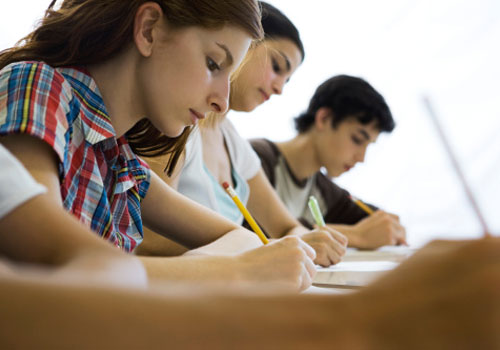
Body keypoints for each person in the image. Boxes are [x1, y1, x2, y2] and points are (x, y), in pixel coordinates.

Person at [0, 0, 317, 291]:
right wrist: (234, 271)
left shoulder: (120, 159)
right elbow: (49, 263)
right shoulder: (36, 86)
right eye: (213, 63)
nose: (222, 101)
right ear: (148, 29)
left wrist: (231, 267)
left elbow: (242, 238)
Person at [138, 1, 348, 268]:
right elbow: (149, 240)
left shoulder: (233, 143)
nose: (280, 88)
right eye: (277, 66)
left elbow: (285, 227)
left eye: (287, 80)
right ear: (244, 46)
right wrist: (257, 250)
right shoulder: (175, 125)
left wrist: (293, 242)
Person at [251, 75, 407, 249]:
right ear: (324, 118)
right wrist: (357, 236)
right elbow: (252, 234)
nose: (362, 158)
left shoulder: (322, 189)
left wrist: (389, 227)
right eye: (357, 139)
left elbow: (375, 222)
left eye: (369, 145)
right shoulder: (254, 159)